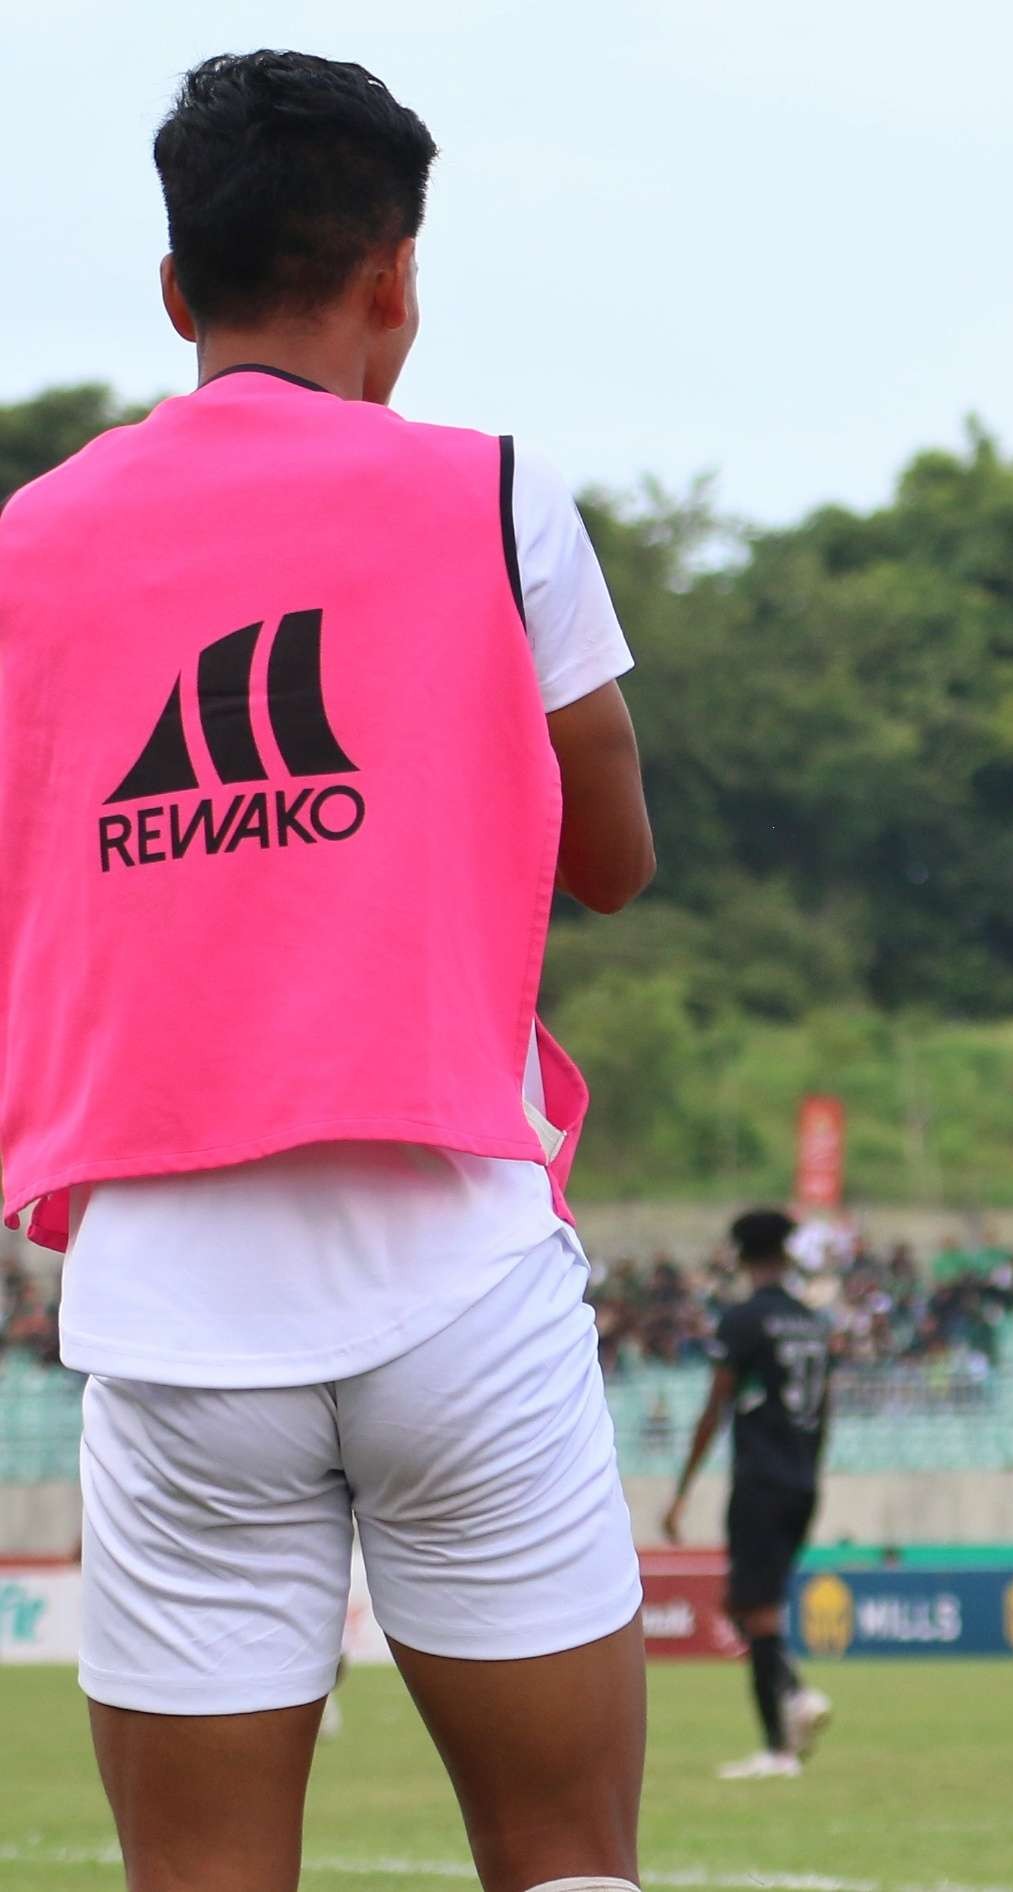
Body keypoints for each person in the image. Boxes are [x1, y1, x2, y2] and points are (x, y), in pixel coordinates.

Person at [0, 51, 657, 1892]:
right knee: (566, 1859)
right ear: (398, 280)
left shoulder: (21, 549)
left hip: (167, 1287)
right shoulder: (495, 495)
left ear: (169, 291)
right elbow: (611, 863)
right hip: (450, 1258)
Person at [663, 1209, 837, 1780]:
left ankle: (780, 1744)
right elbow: (826, 1407)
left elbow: (716, 1406)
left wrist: (682, 1491)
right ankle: (791, 1696)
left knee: (755, 1608)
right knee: (745, 1602)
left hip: (761, 1479)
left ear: (740, 1255)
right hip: (803, 1479)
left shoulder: (743, 1320)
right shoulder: (812, 1321)